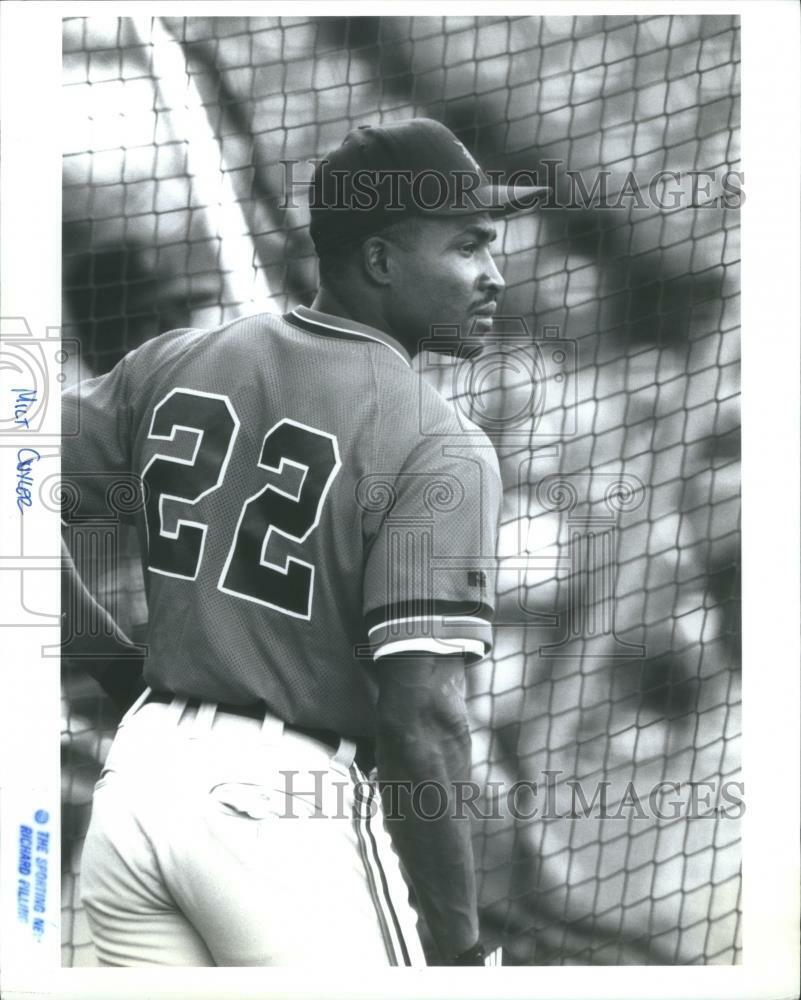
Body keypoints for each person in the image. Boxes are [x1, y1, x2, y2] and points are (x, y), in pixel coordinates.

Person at [61, 117, 546, 967]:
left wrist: (105, 659)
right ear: (380, 260)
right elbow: (423, 719)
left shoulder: (175, 360)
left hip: (135, 792)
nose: (493, 277)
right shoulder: (439, 443)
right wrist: (459, 944)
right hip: (281, 812)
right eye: (468, 246)